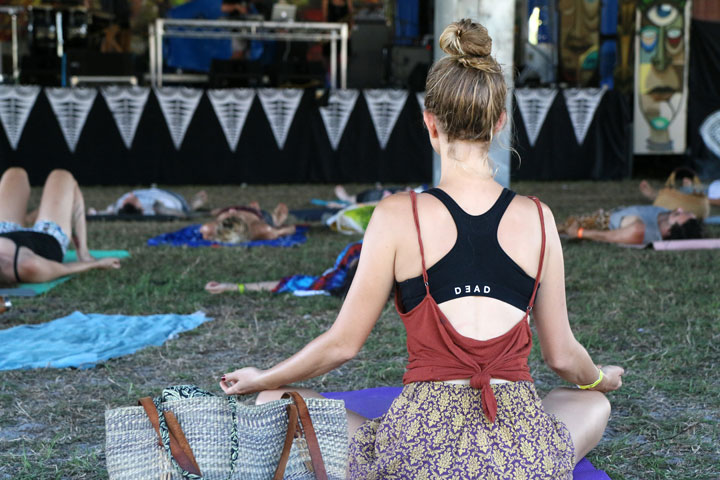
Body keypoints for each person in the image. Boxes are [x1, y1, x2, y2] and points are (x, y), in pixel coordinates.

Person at [218, 20, 624, 479]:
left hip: (417, 456)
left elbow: (342, 345)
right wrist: (600, 380)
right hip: (519, 451)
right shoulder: (539, 218)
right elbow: (563, 357)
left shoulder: (396, 215)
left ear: (429, 122)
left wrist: (263, 379)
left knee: (277, 402)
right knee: (591, 404)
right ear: (499, 122)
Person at [0, 168, 121, 285]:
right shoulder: (30, 267)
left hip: (4, 230)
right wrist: (97, 263)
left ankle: (31, 216)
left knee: (15, 173)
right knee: (62, 176)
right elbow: (65, 269)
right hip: (47, 236)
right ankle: (84, 253)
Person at [205, 240, 361, 297]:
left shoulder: (338, 277)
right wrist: (233, 287)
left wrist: (233, 287)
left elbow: (287, 284)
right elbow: (287, 283)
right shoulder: (348, 260)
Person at [560, 205, 703, 244]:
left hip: (596, 223)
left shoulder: (643, 230)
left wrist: (580, 233)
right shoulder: (664, 214)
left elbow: (610, 237)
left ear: (669, 231)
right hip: (604, 215)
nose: (679, 209)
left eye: (677, 215)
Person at [199, 202, 296, 243]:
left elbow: (291, 229)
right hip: (254, 215)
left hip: (245, 214)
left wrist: (280, 229)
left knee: (268, 226)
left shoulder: (208, 229)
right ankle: (275, 219)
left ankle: (275, 219)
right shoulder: (261, 230)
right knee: (269, 225)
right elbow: (290, 229)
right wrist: (280, 229)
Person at [88, 187, 207, 217]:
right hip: (174, 200)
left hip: (169, 196)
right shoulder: (146, 204)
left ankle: (191, 205)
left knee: (185, 208)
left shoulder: (121, 203)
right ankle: (191, 205)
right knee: (186, 208)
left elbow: (107, 211)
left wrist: (95, 213)